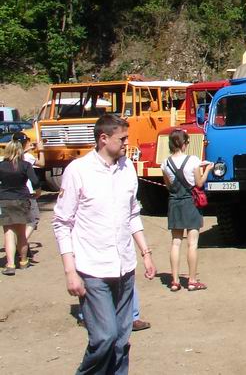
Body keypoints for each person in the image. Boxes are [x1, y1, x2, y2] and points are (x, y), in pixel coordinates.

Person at [53, 114, 157, 374]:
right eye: (122, 139)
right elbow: (62, 223)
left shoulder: (128, 169)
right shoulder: (78, 170)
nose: (126, 143)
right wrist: (70, 271)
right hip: (93, 269)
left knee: (122, 341)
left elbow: (132, 214)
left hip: (124, 269)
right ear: (103, 139)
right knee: (105, 338)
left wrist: (145, 253)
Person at [162, 129, 212, 292]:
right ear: (184, 144)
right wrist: (207, 170)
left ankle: (175, 281)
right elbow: (198, 183)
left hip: (174, 203)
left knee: (176, 243)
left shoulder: (165, 163)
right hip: (191, 203)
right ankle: (192, 280)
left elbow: (169, 186)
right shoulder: (193, 160)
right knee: (192, 244)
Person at [1, 137, 37, 275]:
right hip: (22, 198)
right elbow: (35, 182)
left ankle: (10, 264)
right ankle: (23, 261)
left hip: (4, 199)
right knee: (21, 234)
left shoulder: (1, 166)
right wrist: (37, 193)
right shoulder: (25, 165)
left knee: (8, 233)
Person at [16, 132, 42, 251]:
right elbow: (42, 164)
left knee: (17, 223)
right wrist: (41, 150)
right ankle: (21, 244)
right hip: (28, 192)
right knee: (34, 219)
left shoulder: (9, 157)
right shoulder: (28, 157)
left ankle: (19, 244)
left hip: (13, 193)